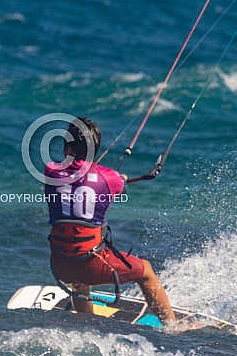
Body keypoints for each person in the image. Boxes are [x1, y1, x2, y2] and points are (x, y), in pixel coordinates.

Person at [43, 117, 180, 327]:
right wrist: (120, 178)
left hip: (60, 265)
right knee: (146, 272)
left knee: (79, 273)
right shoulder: (110, 178)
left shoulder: (50, 171)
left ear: (66, 147)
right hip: (92, 264)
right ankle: (174, 328)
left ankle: (84, 322)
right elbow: (119, 184)